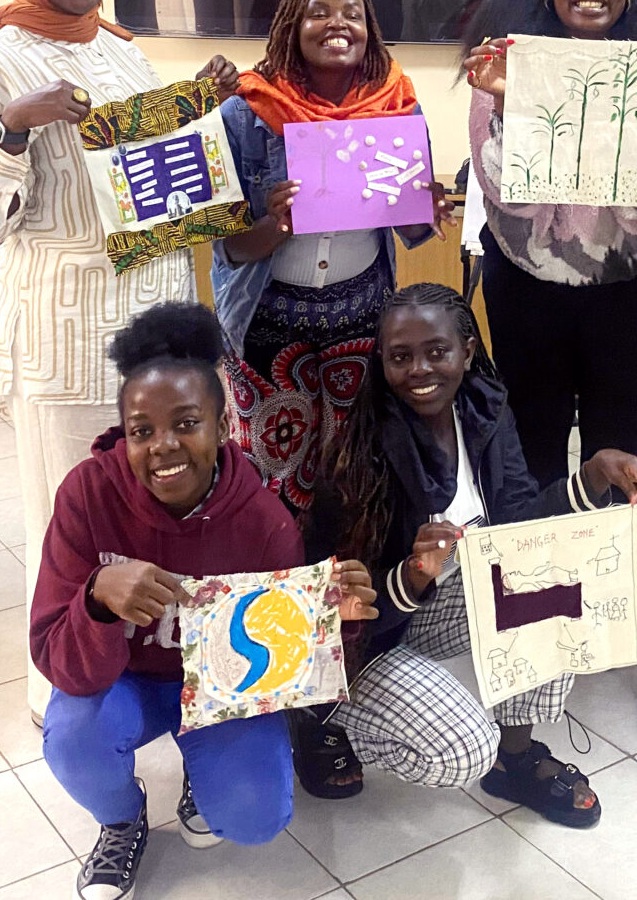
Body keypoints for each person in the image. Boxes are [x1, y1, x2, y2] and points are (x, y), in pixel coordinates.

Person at [0, 0, 239, 718]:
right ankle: (60, 695)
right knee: (71, 513)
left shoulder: (120, 50)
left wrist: (200, 112)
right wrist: (12, 128)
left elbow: (150, 172)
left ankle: (146, 672)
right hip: (65, 324)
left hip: (148, 320)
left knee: (151, 504)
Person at [31, 302, 378, 900]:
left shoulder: (265, 523)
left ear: (223, 428)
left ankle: (203, 772)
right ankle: (121, 820)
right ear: (126, 436)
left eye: (186, 423)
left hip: (223, 689)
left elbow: (288, 669)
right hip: (123, 683)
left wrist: (333, 624)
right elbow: (55, 657)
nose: (162, 445)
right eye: (142, 430)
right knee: (71, 736)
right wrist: (94, 602)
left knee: (255, 819)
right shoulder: (87, 495)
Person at [304, 283, 637, 826]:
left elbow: (519, 526)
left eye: (436, 352)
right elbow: (342, 608)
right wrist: (413, 574)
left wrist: (595, 471)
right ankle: (324, 718)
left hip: (436, 600)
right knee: (460, 752)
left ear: (467, 351)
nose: (419, 369)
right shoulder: (362, 450)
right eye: (400, 356)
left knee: (555, 572)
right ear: (381, 361)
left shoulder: (484, 411)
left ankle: (515, 759)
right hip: (365, 638)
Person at [461, 0, 637, 490]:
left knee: (617, 450)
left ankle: (605, 578)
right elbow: (507, 195)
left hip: (627, 290)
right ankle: (537, 572)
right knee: (532, 442)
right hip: (525, 285)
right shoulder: (502, 66)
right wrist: (506, 105)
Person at [213, 0, 454, 519]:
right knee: (273, 480)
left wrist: (428, 210)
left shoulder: (397, 107)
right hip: (266, 321)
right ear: (292, 27)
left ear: (369, 27)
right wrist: (277, 225)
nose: (337, 25)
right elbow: (227, 250)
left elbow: (411, 231)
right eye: (319, 13)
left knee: (355, 471)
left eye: (352, 14)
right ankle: (281, 592)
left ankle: (352, 592)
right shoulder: (247, 113)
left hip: (362, 315)